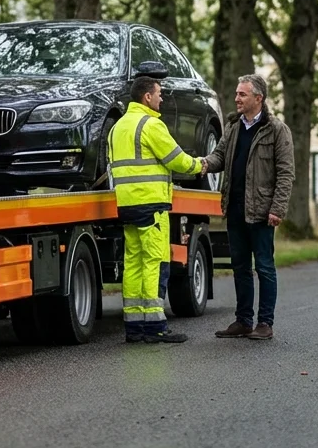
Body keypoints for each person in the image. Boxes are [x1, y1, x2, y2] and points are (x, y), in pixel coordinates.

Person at [108, 75, 204, 343]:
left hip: (127, 204)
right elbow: (177, 160)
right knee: (154, 262)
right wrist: (200, 166)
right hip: (151, 205)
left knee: (134, 264)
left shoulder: (117, 127)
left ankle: (134, 327)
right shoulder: (151, 125)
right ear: (147, 97)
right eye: (159, 93)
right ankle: (154, 327)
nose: (162, 98)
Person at [199, 74, 295, 341]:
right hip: (235, 208)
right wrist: (203, 164)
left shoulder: (277, 130)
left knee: (264, 266)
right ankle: (243, 320)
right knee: (240, 266)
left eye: (242, 94)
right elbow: (219, 155)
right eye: (237, 93)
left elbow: (286, 173)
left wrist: (278, 208)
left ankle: (265, 323)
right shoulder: (233, 127)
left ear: (258, 98)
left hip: (262, 211)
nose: (236, 98)